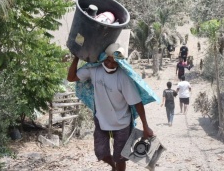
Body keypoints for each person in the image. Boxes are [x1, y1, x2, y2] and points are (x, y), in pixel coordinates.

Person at [67, 43, 157, 171]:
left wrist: (145, 126)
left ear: (119, 63)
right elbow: (71, 78)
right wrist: (76, 57)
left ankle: (117, 166)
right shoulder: (94, 70)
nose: (110, 64)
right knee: (101, 152)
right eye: (108, 60)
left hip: (122, 122)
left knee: (120, 157)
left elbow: (137, 102)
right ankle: (113, 166)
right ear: (104, 58)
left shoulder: (123, 78)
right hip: (101, 118)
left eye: (114, 62)